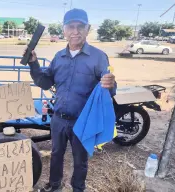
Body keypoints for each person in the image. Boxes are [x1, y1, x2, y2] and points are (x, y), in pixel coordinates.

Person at [24, 8, 117, 192]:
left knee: (80, 160)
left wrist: (110, 84)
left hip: (83, 121)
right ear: (64, 30)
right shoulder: (59, 57)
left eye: (80, 26)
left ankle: (78, 188)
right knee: (56, 154)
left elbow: (109, 90)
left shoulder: (98, 57)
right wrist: (33, 63)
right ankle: (55, 185)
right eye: (71, 27)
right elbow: (45, 82)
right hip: (58, 119)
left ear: (87, 29)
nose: (75, 31)